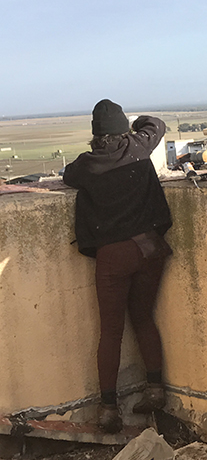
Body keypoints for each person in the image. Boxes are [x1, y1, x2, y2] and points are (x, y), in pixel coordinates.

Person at [63, 99, 173, 433]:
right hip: (151, 249)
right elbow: (156, 123)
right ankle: (155, 389)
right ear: (123, 128)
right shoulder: (139, 146)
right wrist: (134, 126)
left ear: (96, 134)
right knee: (144, 318)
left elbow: (68, 177)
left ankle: (109, 410)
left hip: (114, 256)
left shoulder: (87, 164)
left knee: (111, 330)